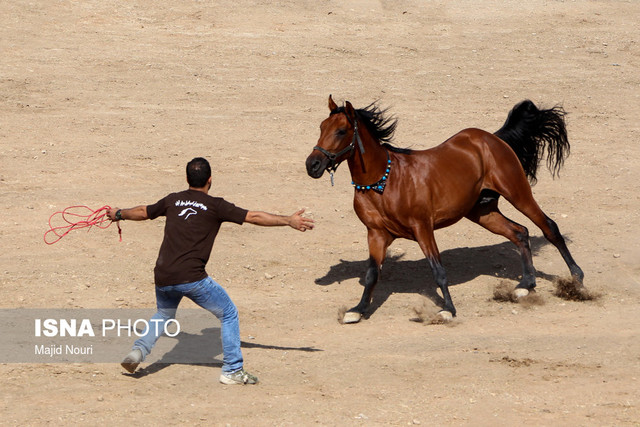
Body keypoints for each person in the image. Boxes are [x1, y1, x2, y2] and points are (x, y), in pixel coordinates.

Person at [106, 157, 314, 385]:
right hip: (192, 278)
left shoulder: (173, 200)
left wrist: (118, 213)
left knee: (164, 315)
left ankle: (138, 351)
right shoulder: (216, 206)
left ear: (186, 179)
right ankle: (233, 369)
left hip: (163, 274)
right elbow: (254, 217)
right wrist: (288, 220)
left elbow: (143, 211)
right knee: (228, 313)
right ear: (210, 180)